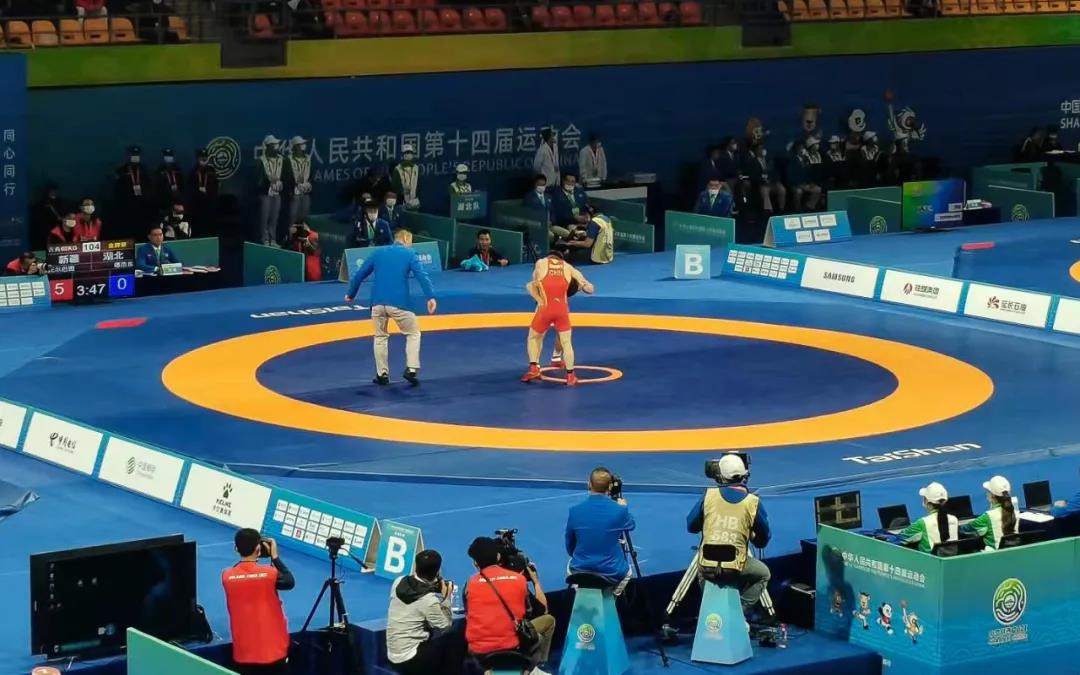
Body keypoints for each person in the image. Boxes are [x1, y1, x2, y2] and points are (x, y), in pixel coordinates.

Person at [345, 228, 437, 386]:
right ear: (406, 239)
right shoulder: (409, 254)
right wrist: (430, 296)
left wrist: (351, 293)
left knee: (380, 337)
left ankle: (382, 374)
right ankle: (411, 369)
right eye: (411, 243)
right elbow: (422, 275)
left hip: (377, 303)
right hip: (398, 303)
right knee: (413, 333)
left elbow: (359, 274)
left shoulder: (378, 252)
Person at [684, 454, 771, 619]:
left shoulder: (708, 496)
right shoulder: (753, 502)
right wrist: (750, 534)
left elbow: (691, 526)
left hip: (707, 567)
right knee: (763, 574)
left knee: (702, 571)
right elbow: (763, 540)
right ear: (744, 476)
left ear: (721, 476)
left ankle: (712, 613)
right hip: (735, 568)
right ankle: (738, 613)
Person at [464, 537, 556, 675]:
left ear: (475, 564)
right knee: (543, 625)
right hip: (513, 650)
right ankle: (534, 668)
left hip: (480, 655)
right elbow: (534, 612)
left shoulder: (469, 585)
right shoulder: (519, 580)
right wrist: (536, 583)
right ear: (498, 556)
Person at [221, 529, 294, 675]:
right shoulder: (270, 573)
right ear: (258, 548)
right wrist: (275, 557)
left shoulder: (227, 576)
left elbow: (242, 572)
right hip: (274, 651)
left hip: (244, 653)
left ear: (236, 549)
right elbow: (289, 582)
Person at [521, 249, 594, 387]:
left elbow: (533, 284)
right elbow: (590, 289)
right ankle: (570, 376)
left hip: (544, 307)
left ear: (549, 257)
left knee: (534, 337)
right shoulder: (568, 267)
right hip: (561, 309)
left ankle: (534, 367)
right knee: (566, 342)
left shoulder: (541, 262)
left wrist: (539, 299)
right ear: (561, 259)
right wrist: (581, 285)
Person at [386, 549, 465, 675]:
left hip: (393, 654)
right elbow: (445, 626)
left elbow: (417, 592)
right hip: (410, 660)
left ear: (416, 566)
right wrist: (446, 598)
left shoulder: (398, 582)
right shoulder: (429, 601)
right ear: (438, 572)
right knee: (453, 638)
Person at [565, 467, 635, 595]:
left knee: (571, 564)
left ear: (589, 485)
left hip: (580, 571)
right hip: (612, 572)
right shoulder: (619, 510)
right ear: (610, 487)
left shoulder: (574, 511)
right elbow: (631, 525)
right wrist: (624, 508)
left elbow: (569, 545)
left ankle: (581, 595)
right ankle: (612, 597)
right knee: (628, 573)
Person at [897, 482, 959, 553]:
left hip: (927, 559)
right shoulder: (954, 519)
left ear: (926, 501)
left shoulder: (922, 522)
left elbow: (901, 538)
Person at [962, 475, 1019, 550]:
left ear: (992, 495)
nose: (987, 493)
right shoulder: (1015, 512)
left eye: (988, 491)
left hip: (993, 555)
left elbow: (966, 528)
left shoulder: (987, 517)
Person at [114, 144, 152, 238]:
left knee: (142, 227)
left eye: (137, 154)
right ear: (128, 155)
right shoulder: (121, 170)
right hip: (127, 205)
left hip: (142, 204)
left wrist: (147, 199)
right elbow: (118, 189)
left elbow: (149, 186)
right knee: (129, 228)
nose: (135, 157)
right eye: (133, 154)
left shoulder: (144, 169)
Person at [256, 135, 285, 246]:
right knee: (264, 218)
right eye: (273, 145)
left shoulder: (281, 159)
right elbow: (258, 180)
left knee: (274, 218)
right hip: (265, 194)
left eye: (276, 144)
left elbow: (285, 175)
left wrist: (280, 183)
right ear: (267, 147)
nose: (276, 147)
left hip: (277, 193)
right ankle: (264, 239)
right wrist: (267, 183)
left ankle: (273, 240)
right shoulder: (261, 161)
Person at [746, 145, 785, 214]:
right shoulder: (752, 162)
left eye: (763, 148)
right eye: (760, 149)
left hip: (773, 182)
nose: (763, 150)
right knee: (764, 191)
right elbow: (754, 176)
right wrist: (764, 181)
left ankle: (781, 209)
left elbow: (775, 172)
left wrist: (775, 181)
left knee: (782, 189)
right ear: (756, 151)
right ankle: (769, 211)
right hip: (762, 184)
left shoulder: (769, 160)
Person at [549, 173, 589, 240]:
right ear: (563, 181)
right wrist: (574, 217)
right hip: (565, 223)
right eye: (568, 181)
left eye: (573, 182)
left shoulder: (580, 192)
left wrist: (587, 215)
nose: (570, 184)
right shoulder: (556, 195)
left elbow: (587, 206)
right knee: (575, 231)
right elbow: (557, 213)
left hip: (582, 222)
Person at [189, 148, 220, 235]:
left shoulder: (211, 171)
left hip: (209, 205)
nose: (203, 159)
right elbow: (190, 189)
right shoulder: (193, 172)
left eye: (205, 157)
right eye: (201, 157)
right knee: (198, 230)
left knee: (210, 229)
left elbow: (216, 187)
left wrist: (209, 194)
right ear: (197, 158)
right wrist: (198, 193)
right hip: (197, 206)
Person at [286, 136, 314, 226]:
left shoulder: (308, 158)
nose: (303, 145)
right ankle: (291, 232)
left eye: (303, 144)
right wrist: (291, 191)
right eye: (301, 144)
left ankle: (301, 231)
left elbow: (312, 173)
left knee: (304, 214)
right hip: (294, 193)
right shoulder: (288, 160)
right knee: (293, 216)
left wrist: (309, 185)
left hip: (305, 192)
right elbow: (287, 177)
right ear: (295, 146)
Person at [31, 183, 67, 249]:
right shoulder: (41, 205)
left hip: (59, 232)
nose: (53, 192)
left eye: (54, 190)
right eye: (51, 191)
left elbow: (64, 216)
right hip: (45, 232)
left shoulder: (61, 203)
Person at [392, 144, 421, 211]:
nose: (408, 154)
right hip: (402, 203)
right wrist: (402, 190)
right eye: (406, 153)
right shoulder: (397, 169)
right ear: (402, 155)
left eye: (409, 152)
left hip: (415, 203)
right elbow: (394, 187)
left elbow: (420, 186)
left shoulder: (416, 168)